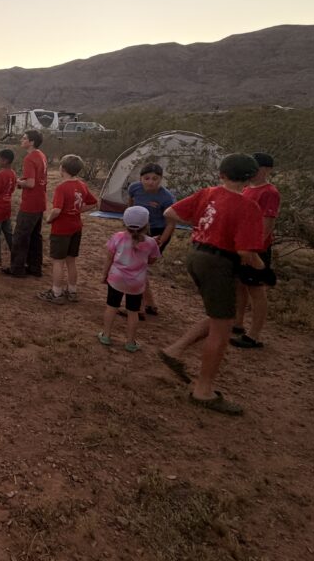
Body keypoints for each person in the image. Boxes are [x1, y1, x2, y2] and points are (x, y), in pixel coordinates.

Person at [157, 153, 265, 416]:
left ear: (221, 174)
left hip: (197, 254)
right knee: (222, 327)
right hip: (219, 262)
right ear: (251, 177)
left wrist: (205, 224)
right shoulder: (248, 206)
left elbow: (170, 212)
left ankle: (175, 350)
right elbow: (244, 251)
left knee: (221, 315)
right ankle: (203, 391)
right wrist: (262, 268)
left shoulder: (208, 193)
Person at [232, 152, 281, 349]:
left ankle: (254, 335)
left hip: (255, 248)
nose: (252, 171)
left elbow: (267, 224)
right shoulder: (247, 188)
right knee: (240, 284)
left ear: (267, 170)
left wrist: (253, 250)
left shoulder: (269, 192)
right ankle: (238, 323)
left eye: (256, 168)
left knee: (256, 289)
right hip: (242, 245)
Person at [98, 206, 161, 352]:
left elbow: (109, 258)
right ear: (146, 224)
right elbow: (151, 261)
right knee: (133, 312)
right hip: (136, 283)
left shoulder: (118, 237)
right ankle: (130, 342)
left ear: (124, 222)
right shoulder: (151, 242)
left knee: (111, 307)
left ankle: (106, 335)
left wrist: (104, 275)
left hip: (116, 279)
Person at [40, 154, 97, 303]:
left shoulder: (62, 187)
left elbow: (57, 210)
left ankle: (56, 293)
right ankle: (72, 291)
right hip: (76, 227)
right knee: (71, 260)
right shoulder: (82, 185)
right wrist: (77, 210)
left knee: (58, 261)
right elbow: (93, 203)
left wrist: (49, 218)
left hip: (61, 229)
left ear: (63, 168)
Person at [127, 163, 176, 316]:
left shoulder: (166, 198)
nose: (150, 182)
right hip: (139, 230)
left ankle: (140, 308)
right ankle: (148, 304)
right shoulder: (134, 188)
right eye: (147, 178)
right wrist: (129, 223)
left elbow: (171, 224)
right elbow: (130, 204)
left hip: (158, 232)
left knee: (139, 266)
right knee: (138, 266)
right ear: (141, 178)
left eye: (155, 179)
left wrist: (159, 242)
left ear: (161, 179)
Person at [5, 130, 48, 277]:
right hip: (40, 200)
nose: (21, 140)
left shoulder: (29, 158)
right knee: (35, 236)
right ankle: (35, 267)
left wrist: (18, 181)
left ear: (32, 142)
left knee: (20, 236)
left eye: (24, 138)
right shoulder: (41, 155)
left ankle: (17, 269)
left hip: (30, 203)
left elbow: (30, 183)